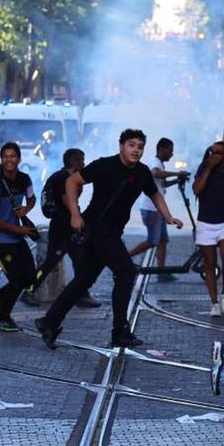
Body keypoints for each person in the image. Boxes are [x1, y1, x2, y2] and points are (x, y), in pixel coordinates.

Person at [35, 129, 184, 349]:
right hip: (97, 229)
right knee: (126, 272)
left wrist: (168, 216)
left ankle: (49, 321)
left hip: (113, 231)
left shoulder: (142, 172)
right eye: (131, 145)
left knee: (84, 279)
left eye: (140, 146)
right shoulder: (105, 165)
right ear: (121, 146)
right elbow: (72, 182)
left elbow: (154, 193)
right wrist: (75, 214)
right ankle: (119, 331)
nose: (136, 150)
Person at [30, 148, 100, 309]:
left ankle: (81, 294)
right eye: (82, 160)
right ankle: (29, 289)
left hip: (66, 224)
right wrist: (79, 218)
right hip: (63, 226)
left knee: (81, 260)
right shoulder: (64, 178)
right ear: (74, 161)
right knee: (51, 262)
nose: (84, 163)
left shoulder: (64, 176)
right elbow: (68, 201)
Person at [0, 142, 38, 331]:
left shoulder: (24, 179)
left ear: (18, 159)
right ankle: (3, 318)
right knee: (17, 280)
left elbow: (32, 198)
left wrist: (26, 208)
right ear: (2, 159)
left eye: (12, 156)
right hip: (0, 240)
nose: (9, 160)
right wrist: (18, 230)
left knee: (30, 277)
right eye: (6, 156)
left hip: (17, 237)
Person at [192, 141, 224, 316]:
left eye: (218, 153)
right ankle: (214, 302)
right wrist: (208, 169)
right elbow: (197, 190)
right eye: (212, 152)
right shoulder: (204, 167)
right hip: (206, 222)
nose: (214, 156)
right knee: (210, 262)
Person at [129, 137, 189, 280]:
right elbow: (155, 173)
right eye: (170, 151)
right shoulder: (155, 163)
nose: (171, 154)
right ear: (162, 149)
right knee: (153, 241)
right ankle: (125, 257)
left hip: (157, 210)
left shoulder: (160, 164)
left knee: (163, 241)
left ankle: (161, 272)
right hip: (152, 209)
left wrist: (176, 180)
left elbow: (161, 184)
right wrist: (176, 173)